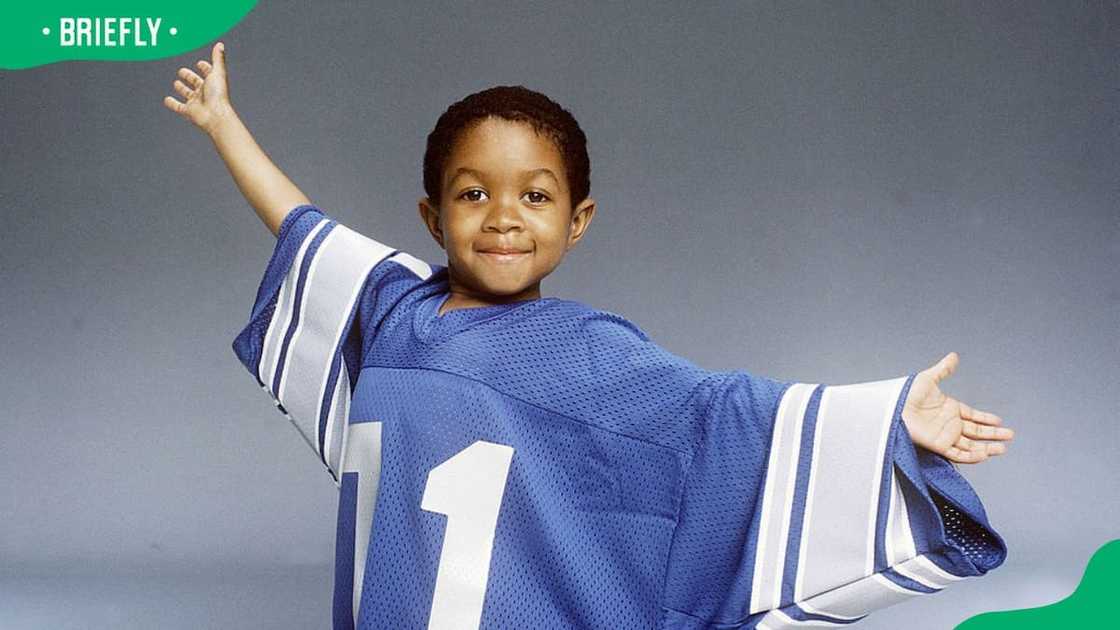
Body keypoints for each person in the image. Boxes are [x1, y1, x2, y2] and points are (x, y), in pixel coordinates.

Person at [164, 42, 1015, 630]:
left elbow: (726, 412)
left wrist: (888, 417)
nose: (503, 218)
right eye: (473, 195)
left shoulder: (591, 352)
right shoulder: (391, 309)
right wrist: (223, 125)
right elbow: (301, 224)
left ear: (578, 222)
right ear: (432, 215)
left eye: (535, 196)